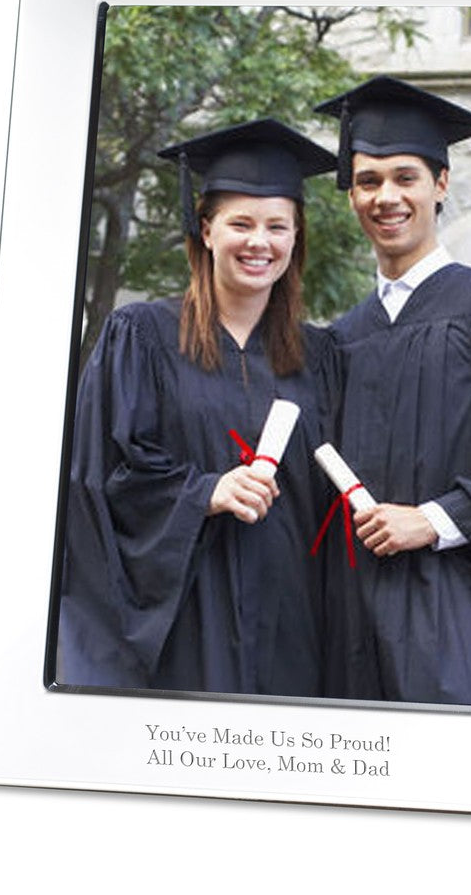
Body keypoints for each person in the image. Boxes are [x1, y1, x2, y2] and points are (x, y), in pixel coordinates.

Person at [57, 119, 338, 698]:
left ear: (295, 238)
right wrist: (204, 491)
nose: (259, 242)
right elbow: (99, 476)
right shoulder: (141, 336)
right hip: (185, 619)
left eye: (276, 226)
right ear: (206, 230)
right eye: (241, 223)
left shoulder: (320, 356)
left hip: (292, 622)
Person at [314, 76, 471, 707]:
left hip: (459, 616)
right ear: (351, 196)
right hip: (353, 630)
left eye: (405, 177)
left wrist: (436, 520)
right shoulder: (342, 339)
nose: (386, 196)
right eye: (368, 181)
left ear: (440, 184)